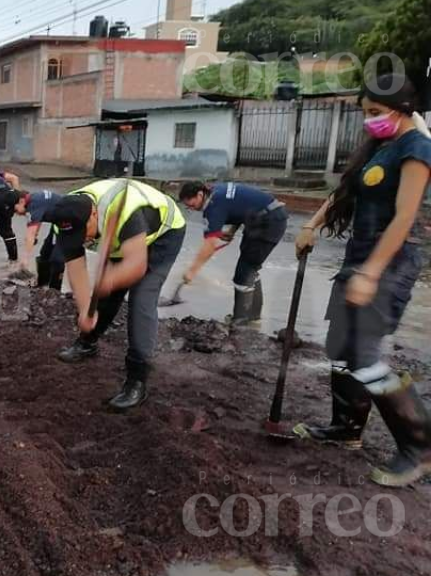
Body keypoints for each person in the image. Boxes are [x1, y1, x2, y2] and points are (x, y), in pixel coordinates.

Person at [293, 74, 431, 487]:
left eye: (374, 112)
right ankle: (346, 429)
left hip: (390, 265)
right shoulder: (381, 148)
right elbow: (344, 191)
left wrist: (372, 273)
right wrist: (311, 226)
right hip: (357, 259)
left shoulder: (416, 148)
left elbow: (405, 217)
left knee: (366, 357)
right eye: (365, 113)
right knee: (341, 345)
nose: (368, 121)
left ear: (403, 109)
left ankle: (420, 448)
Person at [47, 178, 186, 412]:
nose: (82, 240)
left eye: (85, 233)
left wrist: (110, 279)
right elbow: (76, 268)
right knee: (107, 296)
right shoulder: (65, 219)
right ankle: (87, 342)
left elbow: (136, 266)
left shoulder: (127, 213)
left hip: (163, 233)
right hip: (122, 238)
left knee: (141, 299)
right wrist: (84, 310)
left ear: (93, 215)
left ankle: (137, 380)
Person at [179, 181, 288, 324]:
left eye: (191, 205)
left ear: (200, 194)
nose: (191, 209)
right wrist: (232, 231)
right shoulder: (215, 190)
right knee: (250, 266)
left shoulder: (213, 206)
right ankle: (253, 317)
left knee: (243, 273)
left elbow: (210, 244)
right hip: (262, 218)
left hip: (269, 222)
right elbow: (239, 205)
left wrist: (192, 271)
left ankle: (241, 321)